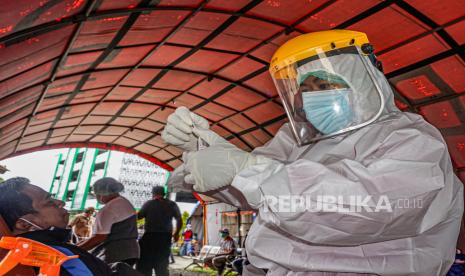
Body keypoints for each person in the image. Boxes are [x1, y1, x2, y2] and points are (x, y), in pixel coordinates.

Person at [161, 30, 463, 275]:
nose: (312, 97)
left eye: (326, 84)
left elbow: (371, 208)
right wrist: (205, 150)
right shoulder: (297, 140)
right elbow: (253, 190)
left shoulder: (410, 139)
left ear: (362, 84)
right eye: (306, 89)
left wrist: (248, 170)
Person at [0, 177, 139, 275]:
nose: (61, 202)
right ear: (24, 223)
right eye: (49, 202)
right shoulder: (57, 256)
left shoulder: (35, 251)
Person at [79, 177, 140, 266]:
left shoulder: (108, 209)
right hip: (131, 252)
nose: (96, 197)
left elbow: (99, 237)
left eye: (96, 194)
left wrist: (76, 250)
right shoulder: (124, 202)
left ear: (102, 193)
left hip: (115, 254)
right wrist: (76, 245)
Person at [136, 186, 182, 276]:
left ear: (153, 194)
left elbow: (139, 216)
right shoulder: (172, 204)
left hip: (150, 237)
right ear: (164, 194)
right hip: (165, 238)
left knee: (145, 264)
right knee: (162, 264)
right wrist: (176, 233)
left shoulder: (148, 204)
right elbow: (179, 220)